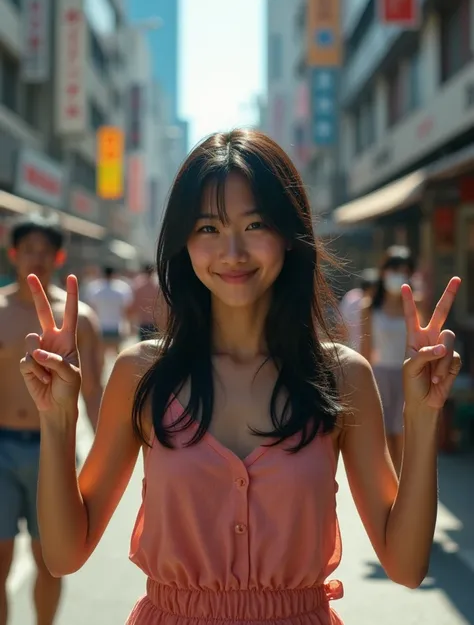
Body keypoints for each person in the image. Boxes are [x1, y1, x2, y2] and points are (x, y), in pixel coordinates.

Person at [20, 130, 462, 625]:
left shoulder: (340, 376)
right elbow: (63, 555)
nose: (232, 251)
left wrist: (422, 417)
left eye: (255, 225)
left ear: (289, 237)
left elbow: (405, 566)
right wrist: (57, 418)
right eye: (208, 228)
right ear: (183, 243)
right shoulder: (143, 373)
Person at [0, 212, 103, 625]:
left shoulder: (81, 319)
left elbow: (93, 391)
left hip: (54, 449)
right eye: (29, 250)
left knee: (51, 560)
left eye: (45, 251)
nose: (36, 259)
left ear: (58, 257)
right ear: (14, 254)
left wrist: (102, 452)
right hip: (2, 448)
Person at [360, 247, 424, 475]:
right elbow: (365, 351)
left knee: (405, 436)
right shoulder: (370, 307)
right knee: (384, 438)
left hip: (409, 376)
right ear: (384, 271)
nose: (400, 275)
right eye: (395, 269)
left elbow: (422, 342)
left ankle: (404, 490)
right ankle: (389, 491)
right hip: (380, 376)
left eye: (405, 270)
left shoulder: (416, 305)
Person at [85, 266, 133, 361]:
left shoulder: (95, 288)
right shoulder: (122, 289)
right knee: (118, 356)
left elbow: (91, 309)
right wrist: (128, 325)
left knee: (100, 356)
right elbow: (126, 309)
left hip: (100, 327)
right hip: (116, 326)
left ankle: (101, 375)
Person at [339, 269, 378, 351]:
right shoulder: (351, 298)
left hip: (374, 353)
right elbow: (342, 326)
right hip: (354, 349)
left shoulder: (379, 303)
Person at [129, 265, 167, 341]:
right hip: (157, 323)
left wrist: (131, 324)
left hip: (144, 323)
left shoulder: (139, 288)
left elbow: (134, 306)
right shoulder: (158, 288)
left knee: (144, 349)